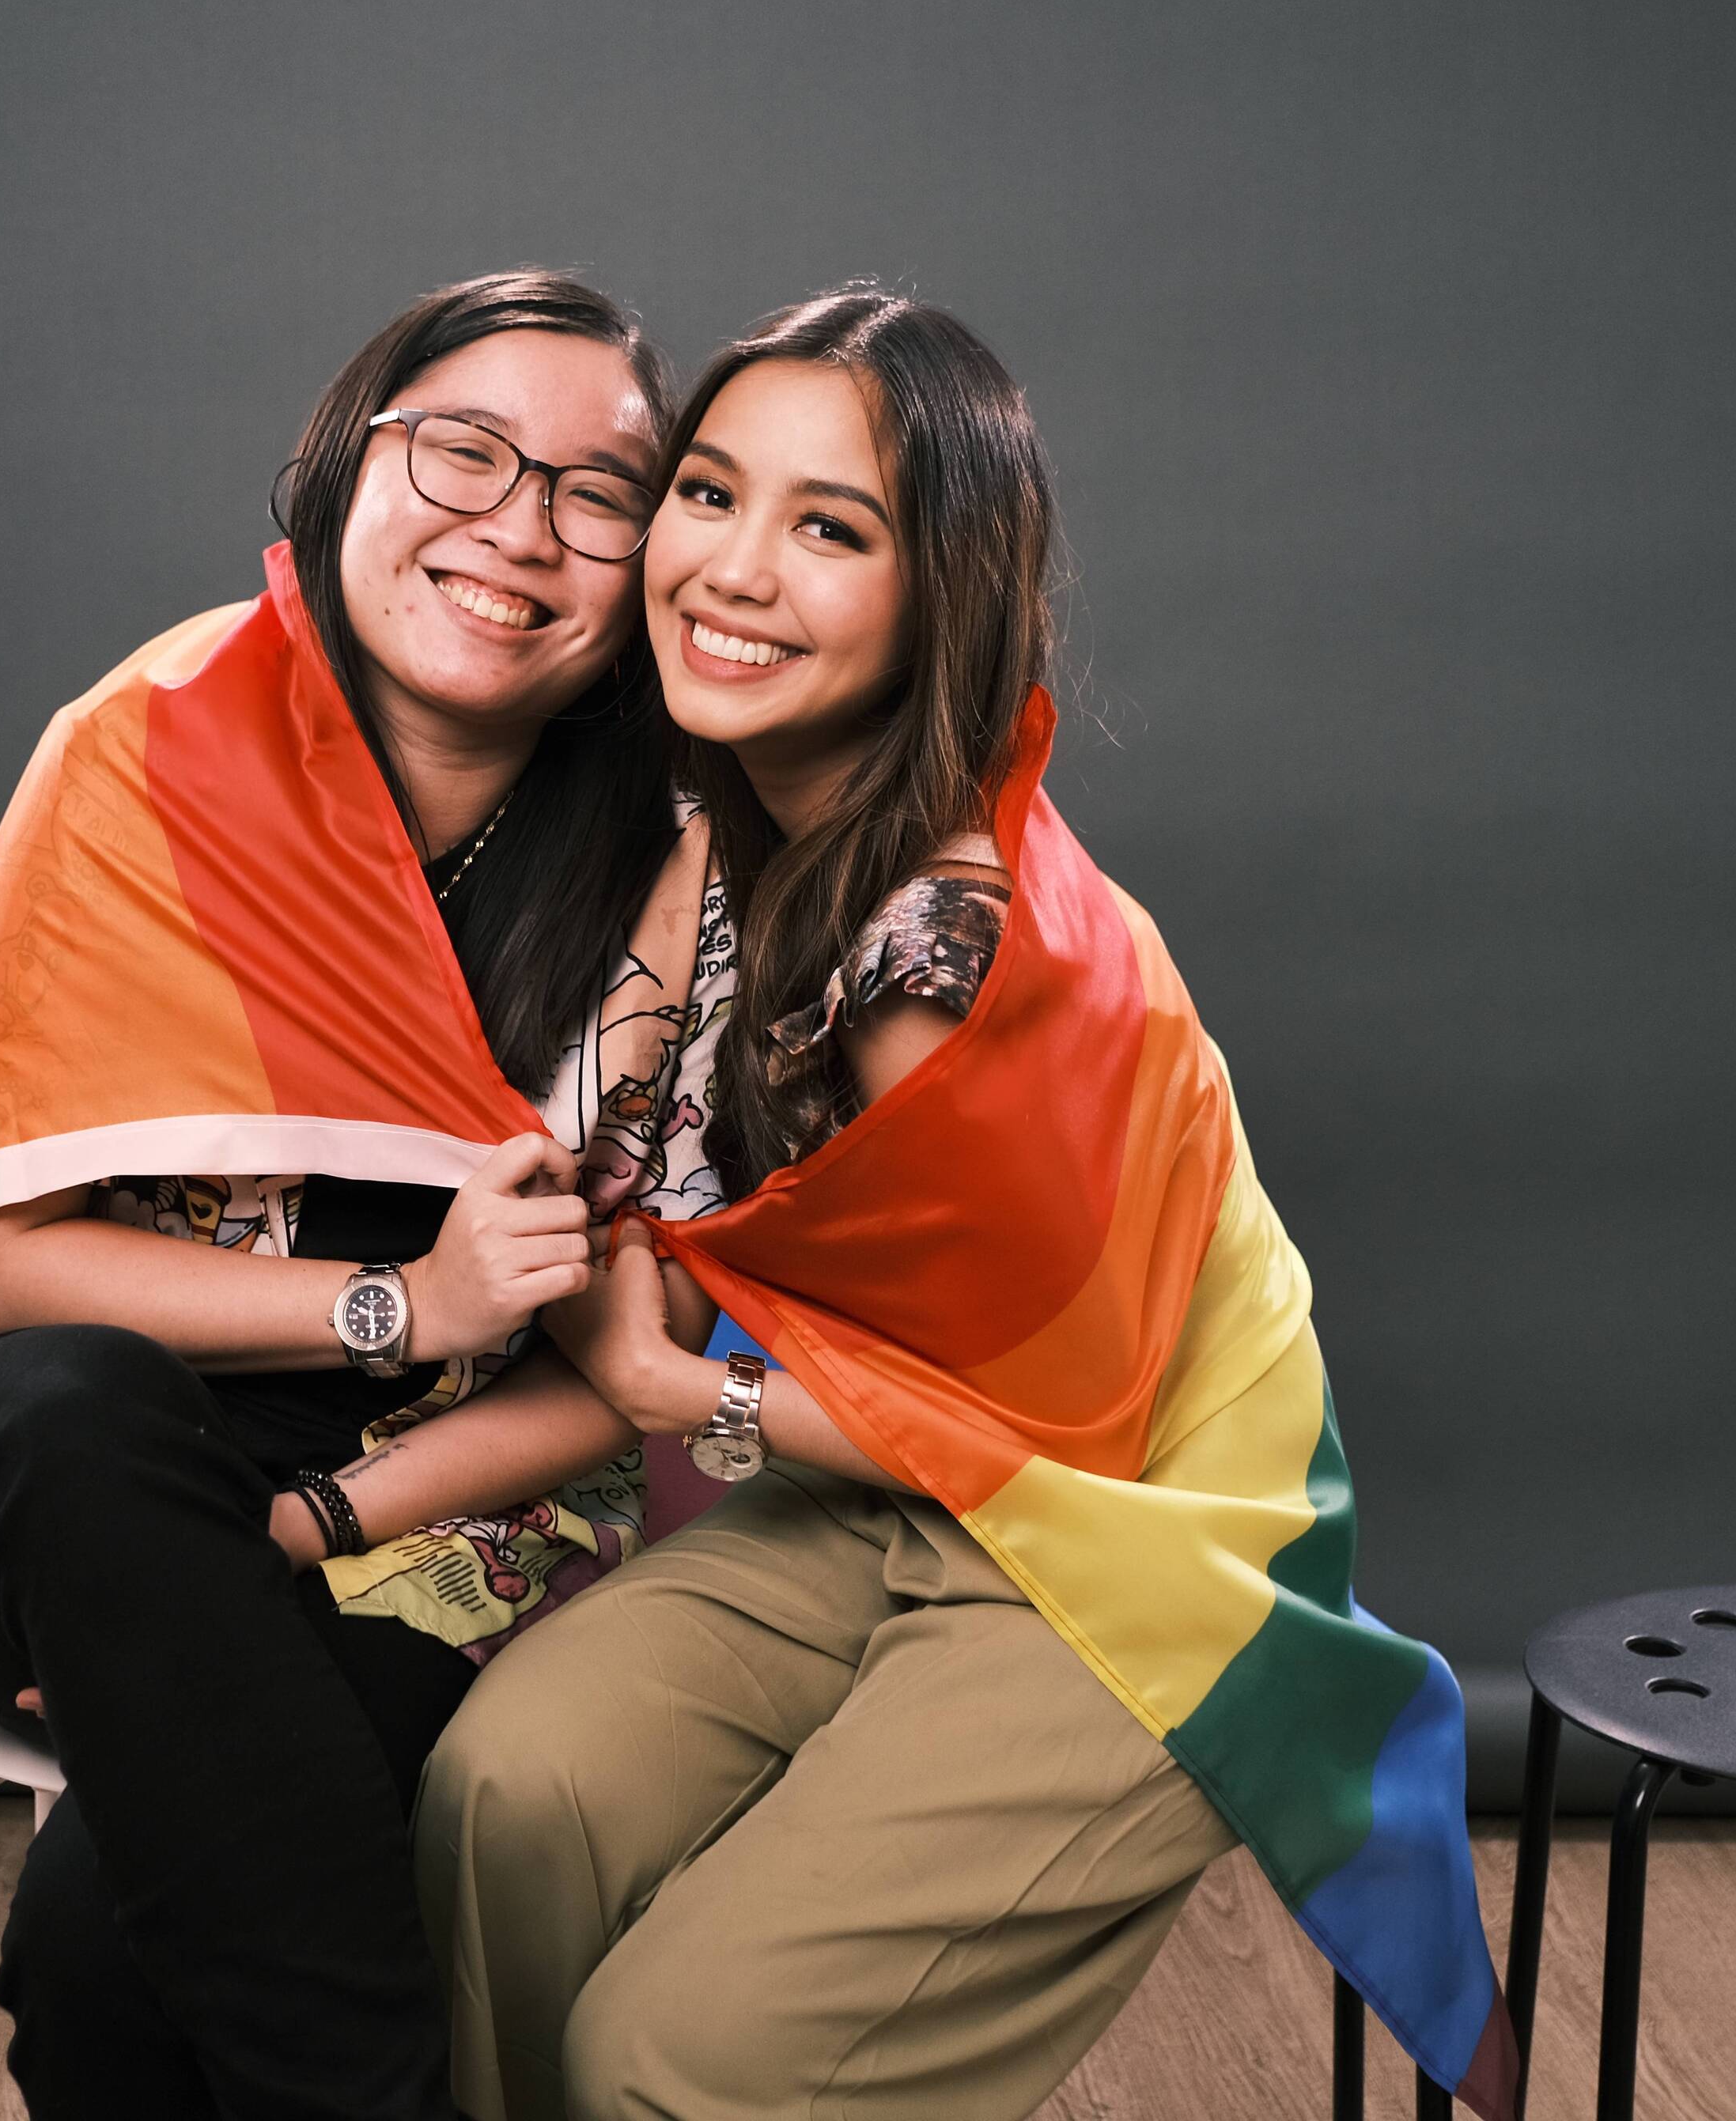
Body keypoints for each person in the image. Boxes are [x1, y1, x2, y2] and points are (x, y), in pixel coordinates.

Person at [418, 291, 1514, 2121]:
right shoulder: (738, 819)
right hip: (882, 1493)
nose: (735, 572)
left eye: (831, 530)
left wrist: (675, 1395)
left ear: (947, 597)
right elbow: (637, 1157)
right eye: (707, 494)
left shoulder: (942, 947)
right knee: (506, 1800)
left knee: (669, 2058)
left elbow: (1039, 1419)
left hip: (1123, 1550)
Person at [0, 270, 734, 2121]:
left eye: (599, 495)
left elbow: (616, 1371)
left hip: (429, 1512)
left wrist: (303, 1521)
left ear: (648, 566)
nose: (518, 531)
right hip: (42, 1465)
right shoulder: (145, 751)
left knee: (102, 1956)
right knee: (87, 1406)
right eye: (464, 451)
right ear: (348, 457)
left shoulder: (674, 866)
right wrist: (404, 1304)